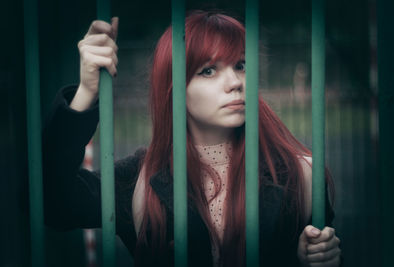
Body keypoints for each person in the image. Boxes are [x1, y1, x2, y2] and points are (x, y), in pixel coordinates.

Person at [42, 10, 342, 267]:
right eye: (208, 70)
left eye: (241, 65)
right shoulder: (139, 180)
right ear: (174, 89)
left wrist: (313, 258)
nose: (235, 83)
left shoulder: (297, 173)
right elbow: (47, 201)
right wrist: (86, 92)